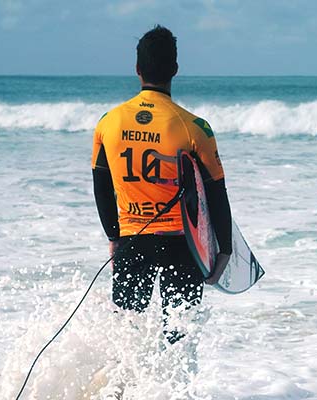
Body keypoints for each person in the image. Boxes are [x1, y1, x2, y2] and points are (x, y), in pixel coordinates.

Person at [91, 25, 232, 344]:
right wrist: (224, 250)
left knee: (126, 338)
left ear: (137, 69)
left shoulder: (108, 123)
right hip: (183, 245)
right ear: (175, 70)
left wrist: (114, 236)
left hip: (132, 239)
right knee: (179, 341)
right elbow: (215, 193)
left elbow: (101, 186)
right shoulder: (195, 128)